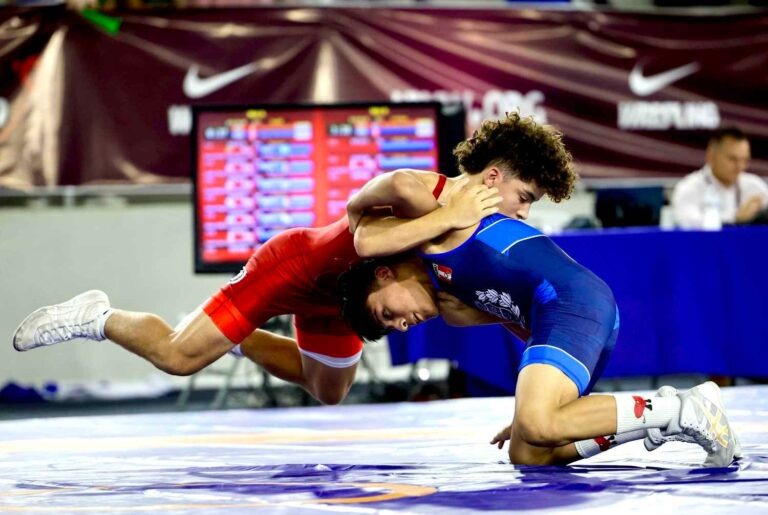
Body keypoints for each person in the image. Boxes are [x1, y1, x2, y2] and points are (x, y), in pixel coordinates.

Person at [12, 112, 575, 407]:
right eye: (525, 199)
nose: (524, 216)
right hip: (295, 268)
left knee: (328, 391)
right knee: (178, 358)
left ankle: (238, 335)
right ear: (493, 177)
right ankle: (96, 316)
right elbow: (362, 233)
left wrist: (544, 392)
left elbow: (509, 312)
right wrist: (442, 220)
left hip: (348, 301)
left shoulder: (476, 233)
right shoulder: (412, 189)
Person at [339, 211, 741, 468]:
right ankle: (658, 421)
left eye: (387, 314)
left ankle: (680, 406)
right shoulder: (455, 308)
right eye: (397, 328)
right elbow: (526, 328)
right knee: (529, 451)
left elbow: (380, 200)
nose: (403, 324)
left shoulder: (437, 235)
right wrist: (535, 405)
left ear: (384, 273)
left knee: (538, 422)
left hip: (572, 300)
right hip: (568, 319)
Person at [671, 126, 768, 229]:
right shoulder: (689, 188)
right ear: (711, 156)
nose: (740, 166)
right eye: (732, 159)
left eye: (744, 160)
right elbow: (689, 225)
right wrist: (736, 219)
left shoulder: (755, 186)